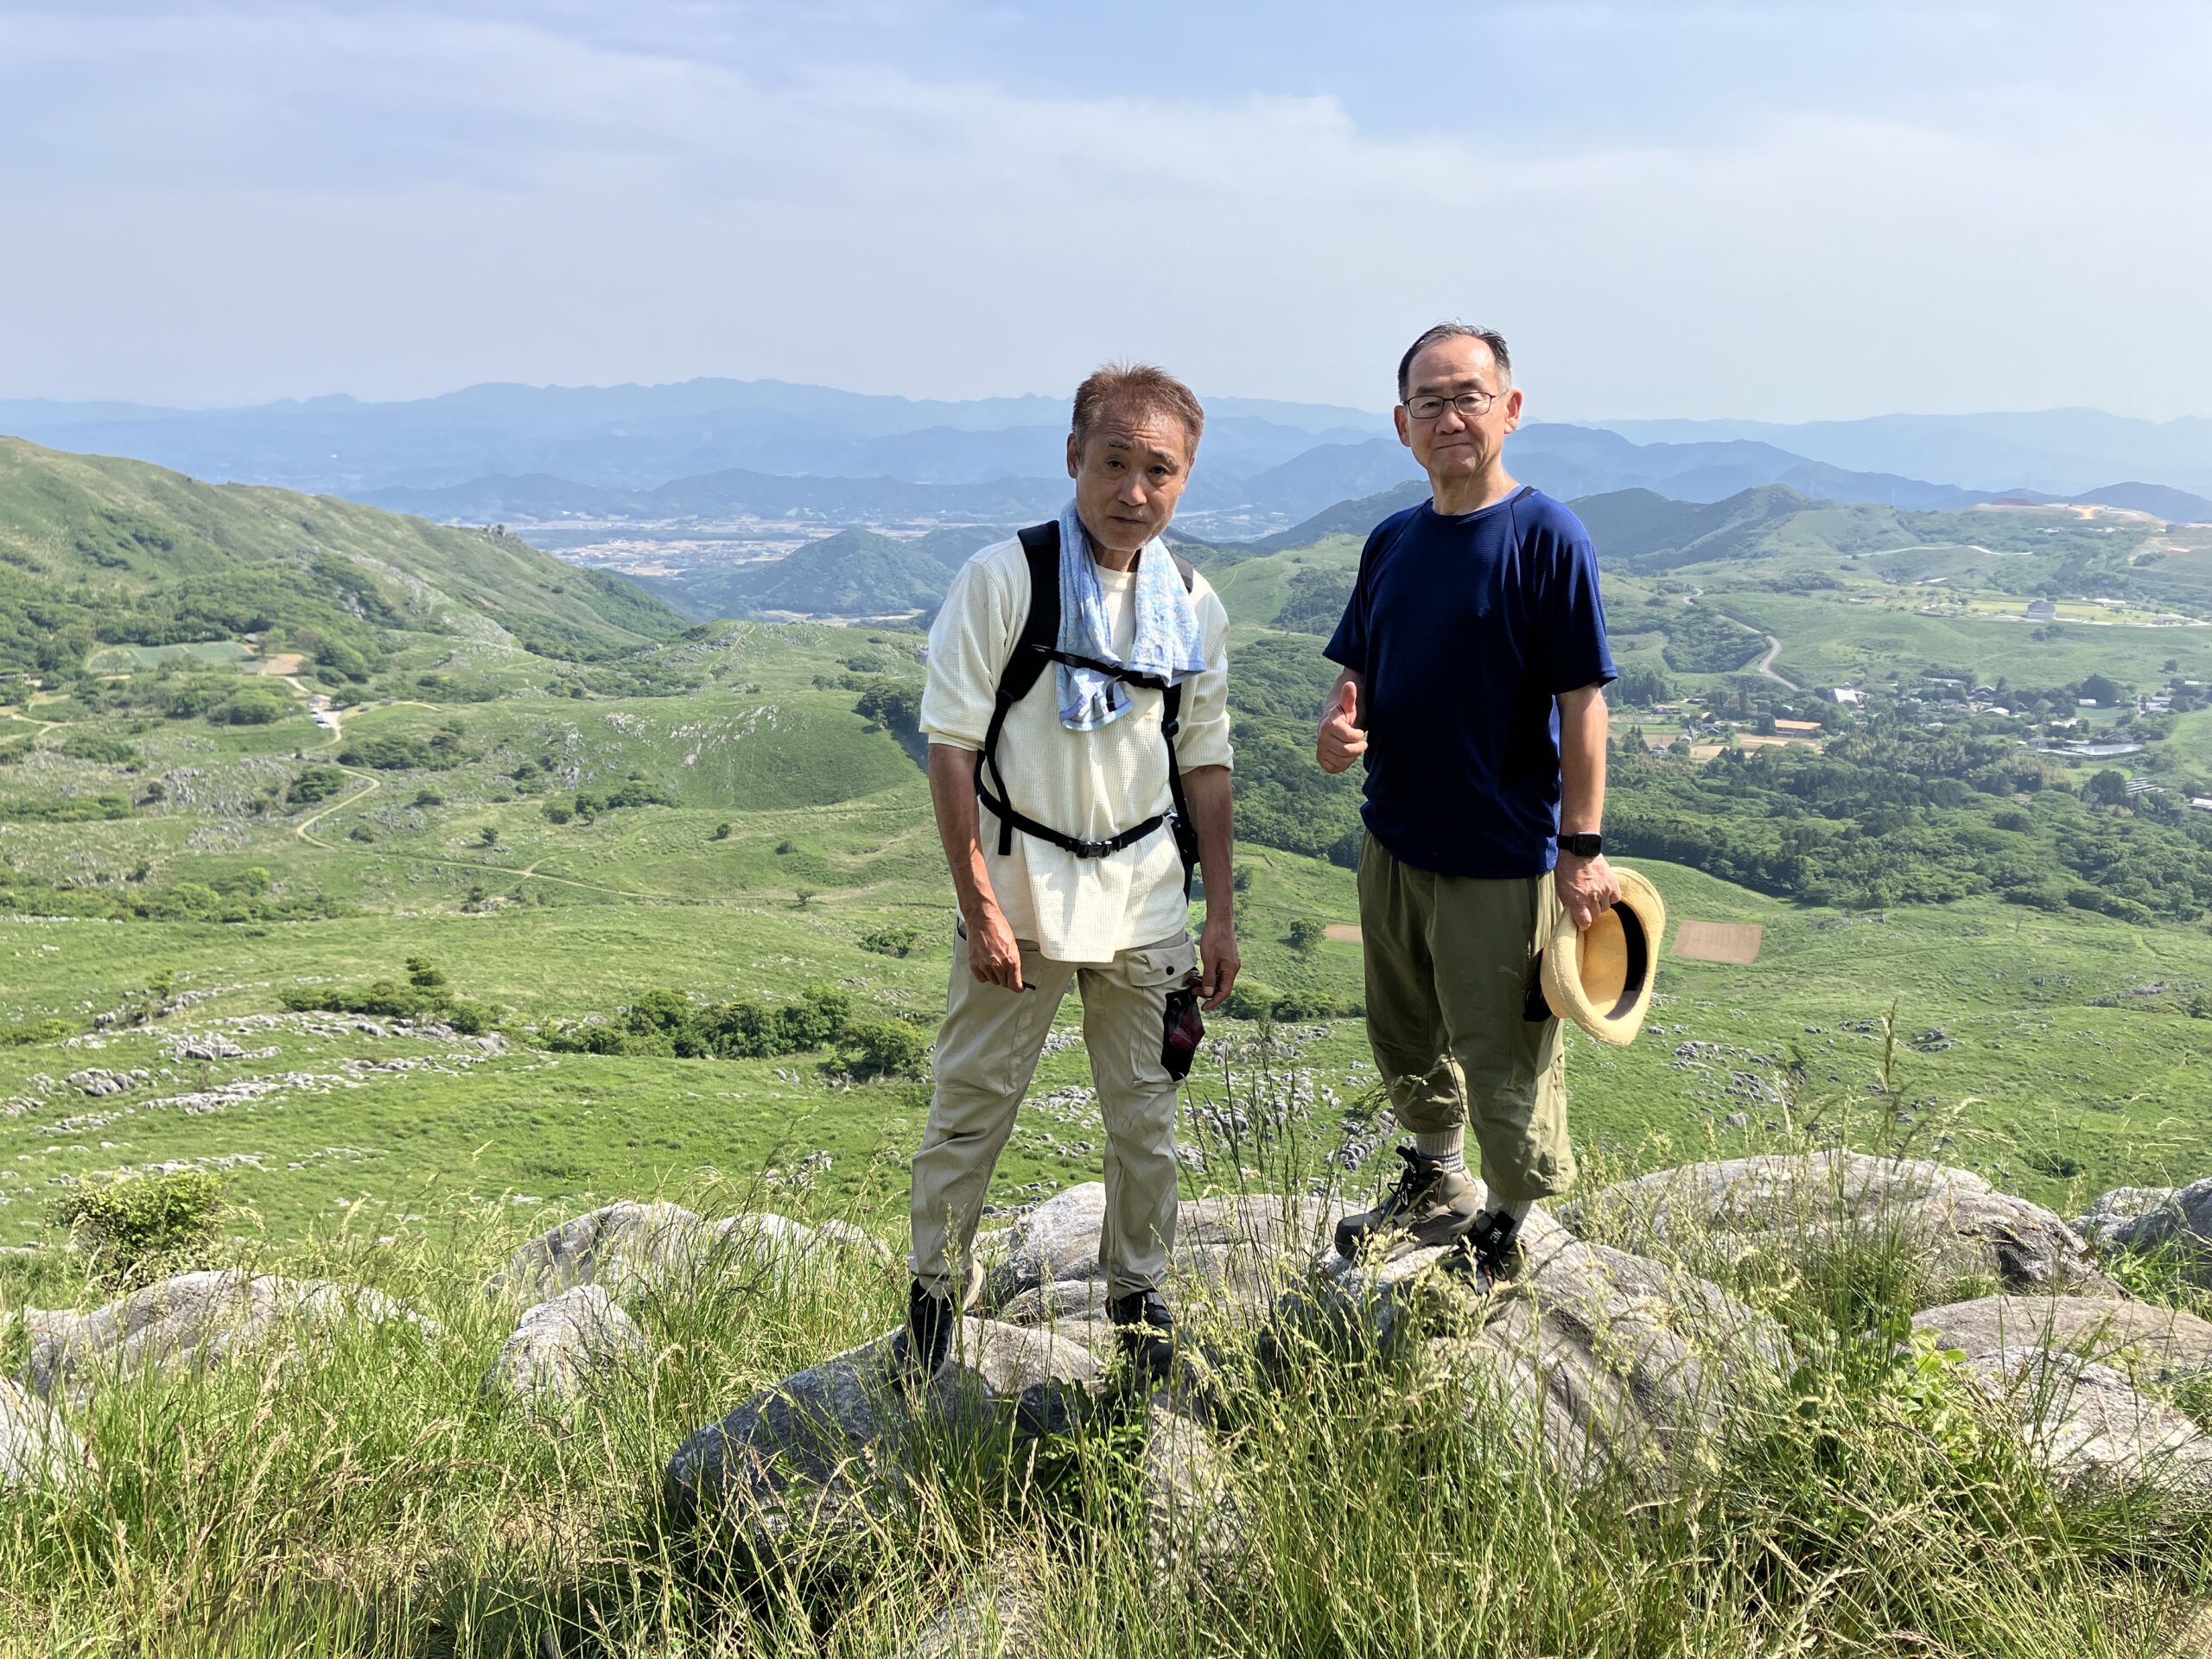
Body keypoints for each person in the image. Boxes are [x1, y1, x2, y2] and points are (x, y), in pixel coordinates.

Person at [906, 362, 1238, 1379]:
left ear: (1183, 481)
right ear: (1074, 459)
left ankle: (1138, 1297)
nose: (1134, 491)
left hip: (1144, 898)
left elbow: (1205, 761)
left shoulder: (1188, 602)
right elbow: (952, 747)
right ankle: (932, 1296)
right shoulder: (1005, 581)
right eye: (1115, 463)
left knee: (1146, 1122)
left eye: (1159, 471)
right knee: (970, 1108)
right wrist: (979, 906)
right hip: (1021, 896)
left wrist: (1219, 910)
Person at [1316, 322, 1618, 1287]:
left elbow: (1583, 705)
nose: (1450, 416)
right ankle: (1436, 1177)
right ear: (1403, 426)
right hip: (1394, 837)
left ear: (1510, 410)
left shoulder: (1546, 536)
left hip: (1501, 848)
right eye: (1431, 402)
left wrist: (1582, 845)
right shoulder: (1392, 540)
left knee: (1505, 1047)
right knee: (1403, 1029)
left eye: (1469, 396)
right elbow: (1356, 673)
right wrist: (1337, 732)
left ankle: (1508, 1219)